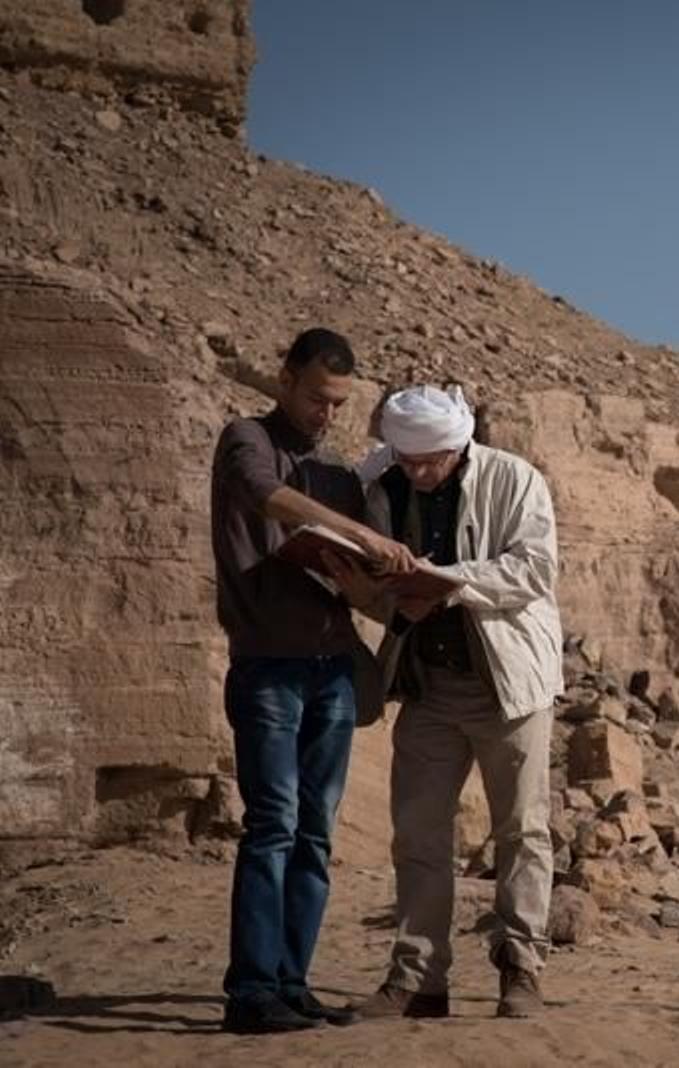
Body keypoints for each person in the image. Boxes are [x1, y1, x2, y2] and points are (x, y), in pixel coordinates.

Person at [327, 384, 562, 1020]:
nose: (420, 473)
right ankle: (418, 980)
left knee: (522, 832)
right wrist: (365, 592)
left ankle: (521, 971)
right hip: (426, 686)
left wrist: (450, 585)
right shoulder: (384, 488)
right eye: (408, 461)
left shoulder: (516, 480)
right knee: (418, 834)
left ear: (461, 446)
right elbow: (382, 590)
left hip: (509, 687)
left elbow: (534, 571)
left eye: (431, 462)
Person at [210, 327, 414, 1034]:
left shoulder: (336, 475)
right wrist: (356, 534)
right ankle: (251, 991)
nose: (327, 415)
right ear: (287, 377)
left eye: (340, 405)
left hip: (331, 670)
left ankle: (292, 983)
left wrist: (370, 581)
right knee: (272, 826)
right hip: (267, 666)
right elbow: (267, 498)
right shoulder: (247, 439)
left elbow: (366, 599)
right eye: (319, 398)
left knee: (314, 835)